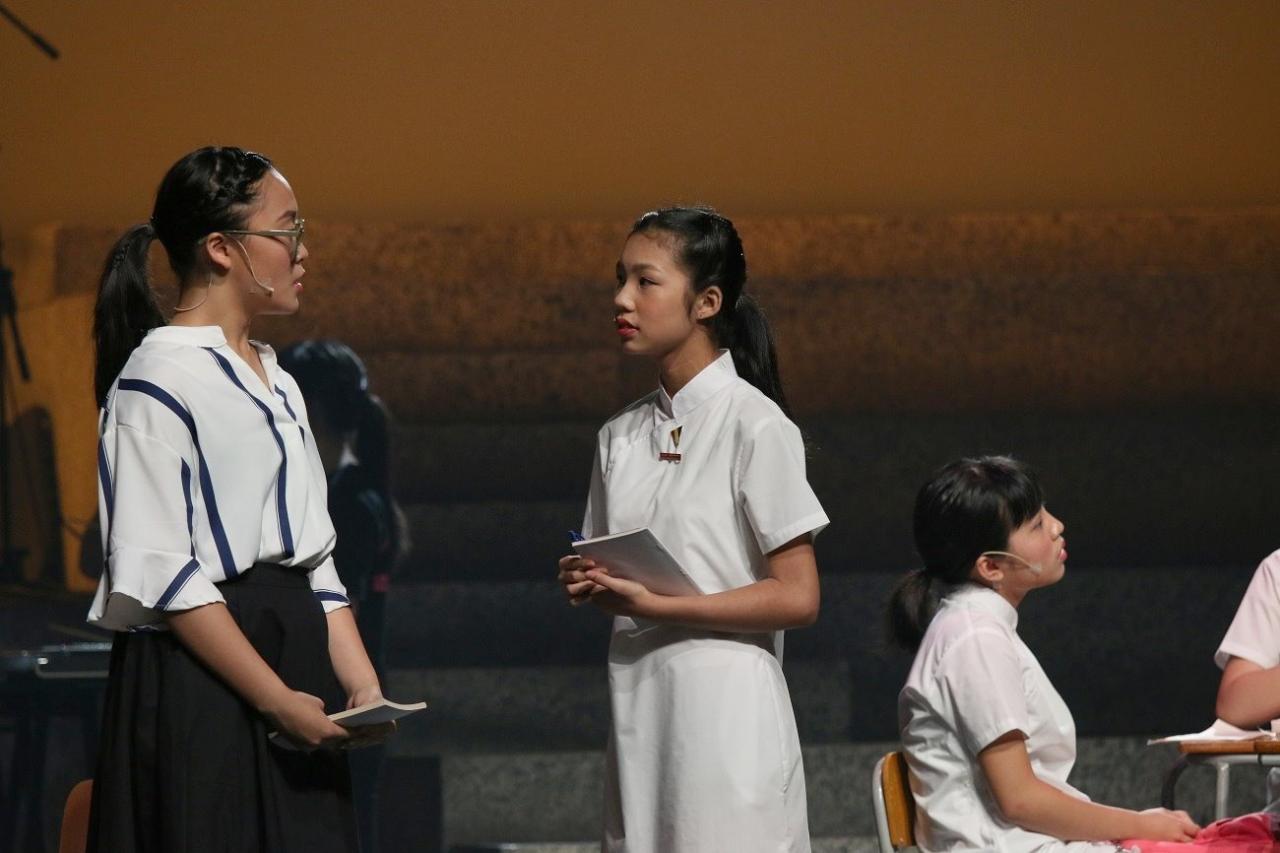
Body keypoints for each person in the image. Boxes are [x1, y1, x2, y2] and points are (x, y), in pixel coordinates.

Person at [86, 146, 390, 852]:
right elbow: (166, 573)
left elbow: (316, 558)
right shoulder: (155, 381)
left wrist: (363, 683)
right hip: (207, 677)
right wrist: (275, 698)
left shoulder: (280, 382)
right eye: (287, 231)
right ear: (221, 248)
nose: (302, 251)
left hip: (294, 658)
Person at [556, 207, 828, 852]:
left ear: (707, 301)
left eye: (645, 281)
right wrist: (587, 578)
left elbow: (798, 597)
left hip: (729, 712)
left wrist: (658, 605)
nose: (622, 298)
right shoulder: (618, 436)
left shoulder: (756, 424)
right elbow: (612, 562)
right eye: (620, 278)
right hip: (640, 706)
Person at [890, 456, 1199, 851]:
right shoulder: (975, 639)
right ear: (991, 566)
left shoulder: (978, 628)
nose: (1057, 527)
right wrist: (1140, 824)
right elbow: (1020, 801)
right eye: (1036, 525)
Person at [278, 339, 410, 853]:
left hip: (339, 709)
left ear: (307, 406)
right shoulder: (346, 492)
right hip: (333, 707)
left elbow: (338, 614)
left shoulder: (350, 503)